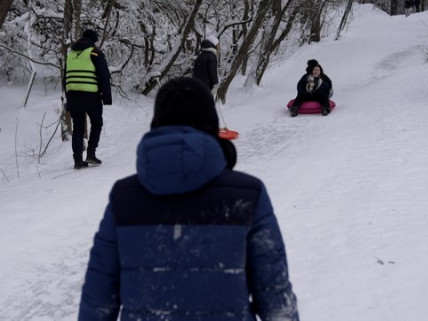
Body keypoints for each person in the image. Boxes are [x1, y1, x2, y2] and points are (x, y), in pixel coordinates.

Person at [78, 77, 300, 321]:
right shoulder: (248, 194)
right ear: (211, 123)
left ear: (157, 123)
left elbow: (97, 301)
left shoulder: (124, 198)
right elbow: (276, 299)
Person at [65, 28, 112, 170]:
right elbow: (104, 76)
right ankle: (91, 153)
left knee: (78, 128)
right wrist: (107, 98)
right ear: (93, 41)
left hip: (73, 96)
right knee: (97, 124)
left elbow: (65, 77)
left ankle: (78, 160)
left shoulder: (71, 54)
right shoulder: (95, 53)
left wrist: (68, 97)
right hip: (91, 96)